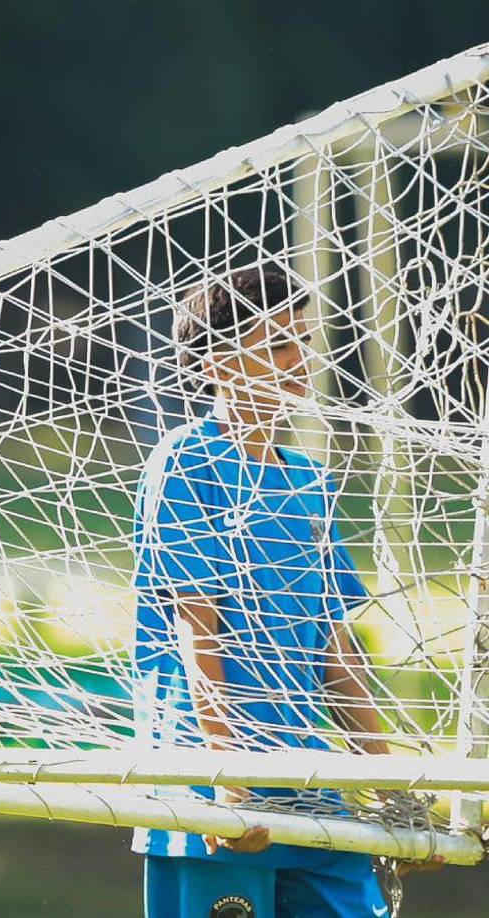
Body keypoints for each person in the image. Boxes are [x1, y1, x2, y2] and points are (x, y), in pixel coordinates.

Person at [131, 266, 438, 917]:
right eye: (276, 345)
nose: (298, 361)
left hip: (312, 782)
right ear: (214, 363)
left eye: (303, 339)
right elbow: (196, 627)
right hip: (212, 785)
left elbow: (335, 650)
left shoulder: (310, 481)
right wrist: (224, 780)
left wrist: (386, 787)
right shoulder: (186, 461)